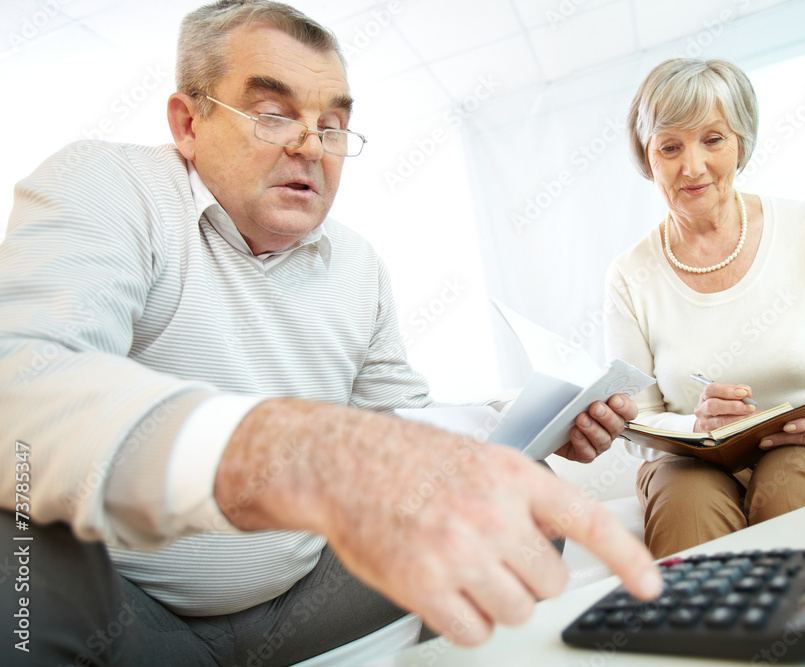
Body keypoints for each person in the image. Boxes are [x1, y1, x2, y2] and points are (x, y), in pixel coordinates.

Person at [0, 2, 663, 664]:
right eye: (273, 113)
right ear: (188, 121)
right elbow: (24, 390)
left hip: (302, 598)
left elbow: (398, 420)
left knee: (513, 495)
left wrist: (531, 422)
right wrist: (298, 448)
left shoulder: (359, 266)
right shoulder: (110, 188)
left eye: (333, 124)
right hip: (130, 610)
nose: (310, 146)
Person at [604, 58, 805, 558]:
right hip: (699, 468)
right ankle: (712, 638)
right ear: (648, 159)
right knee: (685, 496)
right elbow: (637, 423)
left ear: (741, 143)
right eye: (670, 147)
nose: (692, 167)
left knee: (789, 473)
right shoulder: (629, 274)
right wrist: (697, 427)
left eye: (713, 139)